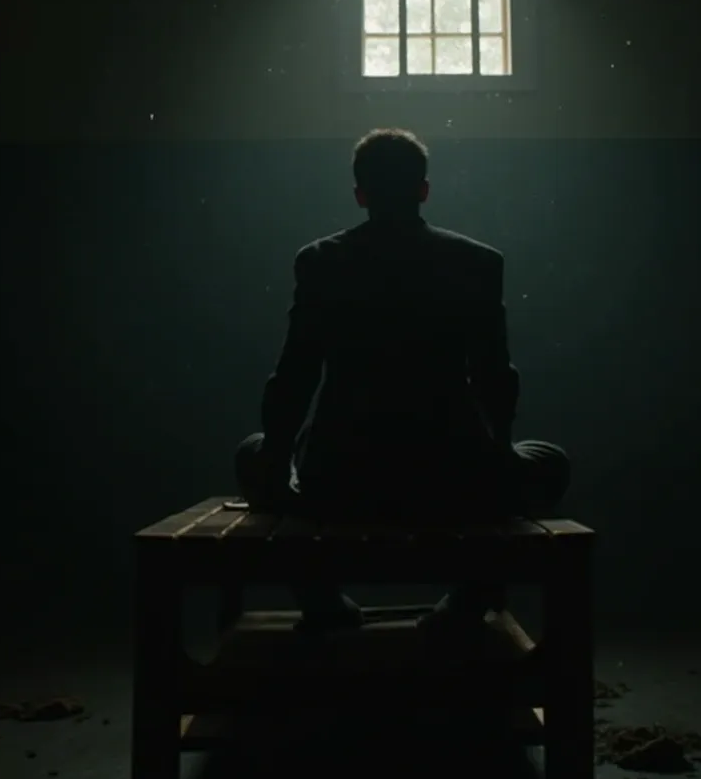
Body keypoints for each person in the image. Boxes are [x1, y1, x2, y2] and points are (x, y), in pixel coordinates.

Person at [235, 127, 572, 634]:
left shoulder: (321, 260)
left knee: (252, 451)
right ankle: (466, 605)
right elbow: (494, 376)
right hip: (451, 477)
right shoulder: (477, 262)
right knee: (549, 461)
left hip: (339, 480)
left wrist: (278, 457)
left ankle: (321, 602)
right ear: (423, 190)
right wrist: (501, 452)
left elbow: (294, 375)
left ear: (360, 195)